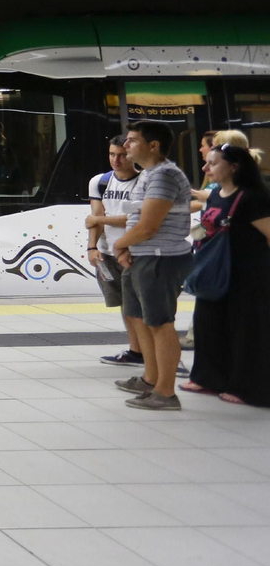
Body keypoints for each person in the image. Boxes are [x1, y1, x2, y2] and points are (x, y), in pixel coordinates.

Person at [110, 121, 194, 411]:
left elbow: (148, 226)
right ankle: (151, 378)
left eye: (132, 141)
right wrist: (127, 247)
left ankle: (166, 392)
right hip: (144, 256)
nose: (126, 146)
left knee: (160, 323)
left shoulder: (164, 176)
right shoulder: (150, 174)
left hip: (161, 258)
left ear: (153, 146)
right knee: (138, 317)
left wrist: (120, 244)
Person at [184, 144, 270, 406]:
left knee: (245, 332)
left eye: (213, 163)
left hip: (247, 276)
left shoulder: (252, 198)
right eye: (207, 162)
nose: (205, 168)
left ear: (234, 167)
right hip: (215, 273)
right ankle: (209, 378)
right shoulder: (217, 194)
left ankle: (249, 388)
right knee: (208, 325)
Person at [87, 137, 144, 367]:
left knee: (141, 305)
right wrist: (91, 247)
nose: (116, 160)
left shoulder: (143, 181)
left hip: (135, 252)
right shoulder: (100, 181)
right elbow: (95, 218)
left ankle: (155, 356)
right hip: (107, 252)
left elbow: (138, 218)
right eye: (112, 154)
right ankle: (136, 351)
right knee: (124, 304)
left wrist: (100, 218)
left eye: (121, 155)